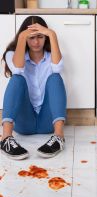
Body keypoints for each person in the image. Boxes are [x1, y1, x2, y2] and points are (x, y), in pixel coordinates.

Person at [0, 16, 67, 160]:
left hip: (47, 121)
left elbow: (57, 67)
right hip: (24, 123)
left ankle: (59, 137)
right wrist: (22, 36)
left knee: (55, 77)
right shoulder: (13, 54)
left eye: (40, 36)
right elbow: (17, 70)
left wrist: (52, 34)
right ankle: (5, 139)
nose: (36, 42)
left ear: (45, 37)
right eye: (31, 38)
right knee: (17, 78)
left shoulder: (51, 55)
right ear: (24, 38)